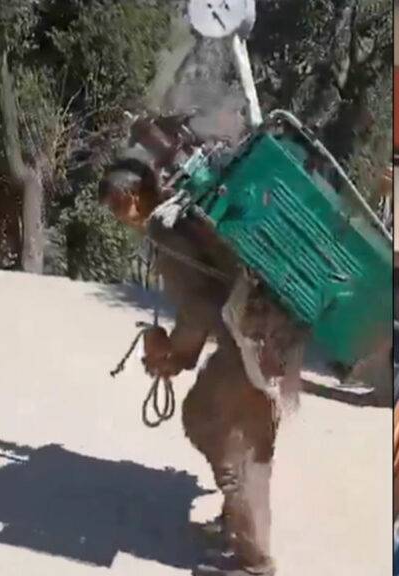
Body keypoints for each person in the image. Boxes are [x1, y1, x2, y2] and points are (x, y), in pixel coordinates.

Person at [99, 159, 306, 576]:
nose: (119, 220)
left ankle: (253, 563)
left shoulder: (165, 227)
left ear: (130, 197)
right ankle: (238, 526)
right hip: (273, 331)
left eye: (115, 209)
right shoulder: (187, 207)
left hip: (249, 341)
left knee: (210, 423)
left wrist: (176, 355)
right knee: (253, 437)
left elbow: (199, 307)